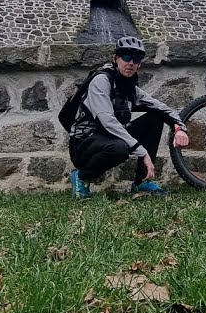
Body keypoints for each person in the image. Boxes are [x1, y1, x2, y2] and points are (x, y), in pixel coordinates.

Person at [67, 36, 189, 199]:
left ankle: (142, 182)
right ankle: (81, 176)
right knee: (120, 149)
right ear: (116, 58)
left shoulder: (130, 88)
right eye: (126, 57)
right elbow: (107, 121)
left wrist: (179, 127)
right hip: (84, 144)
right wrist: (142, 151)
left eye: (136, 59)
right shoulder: (101, 81)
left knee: (155, 118)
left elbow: (161, 107)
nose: (131, 62)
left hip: (110, 138)